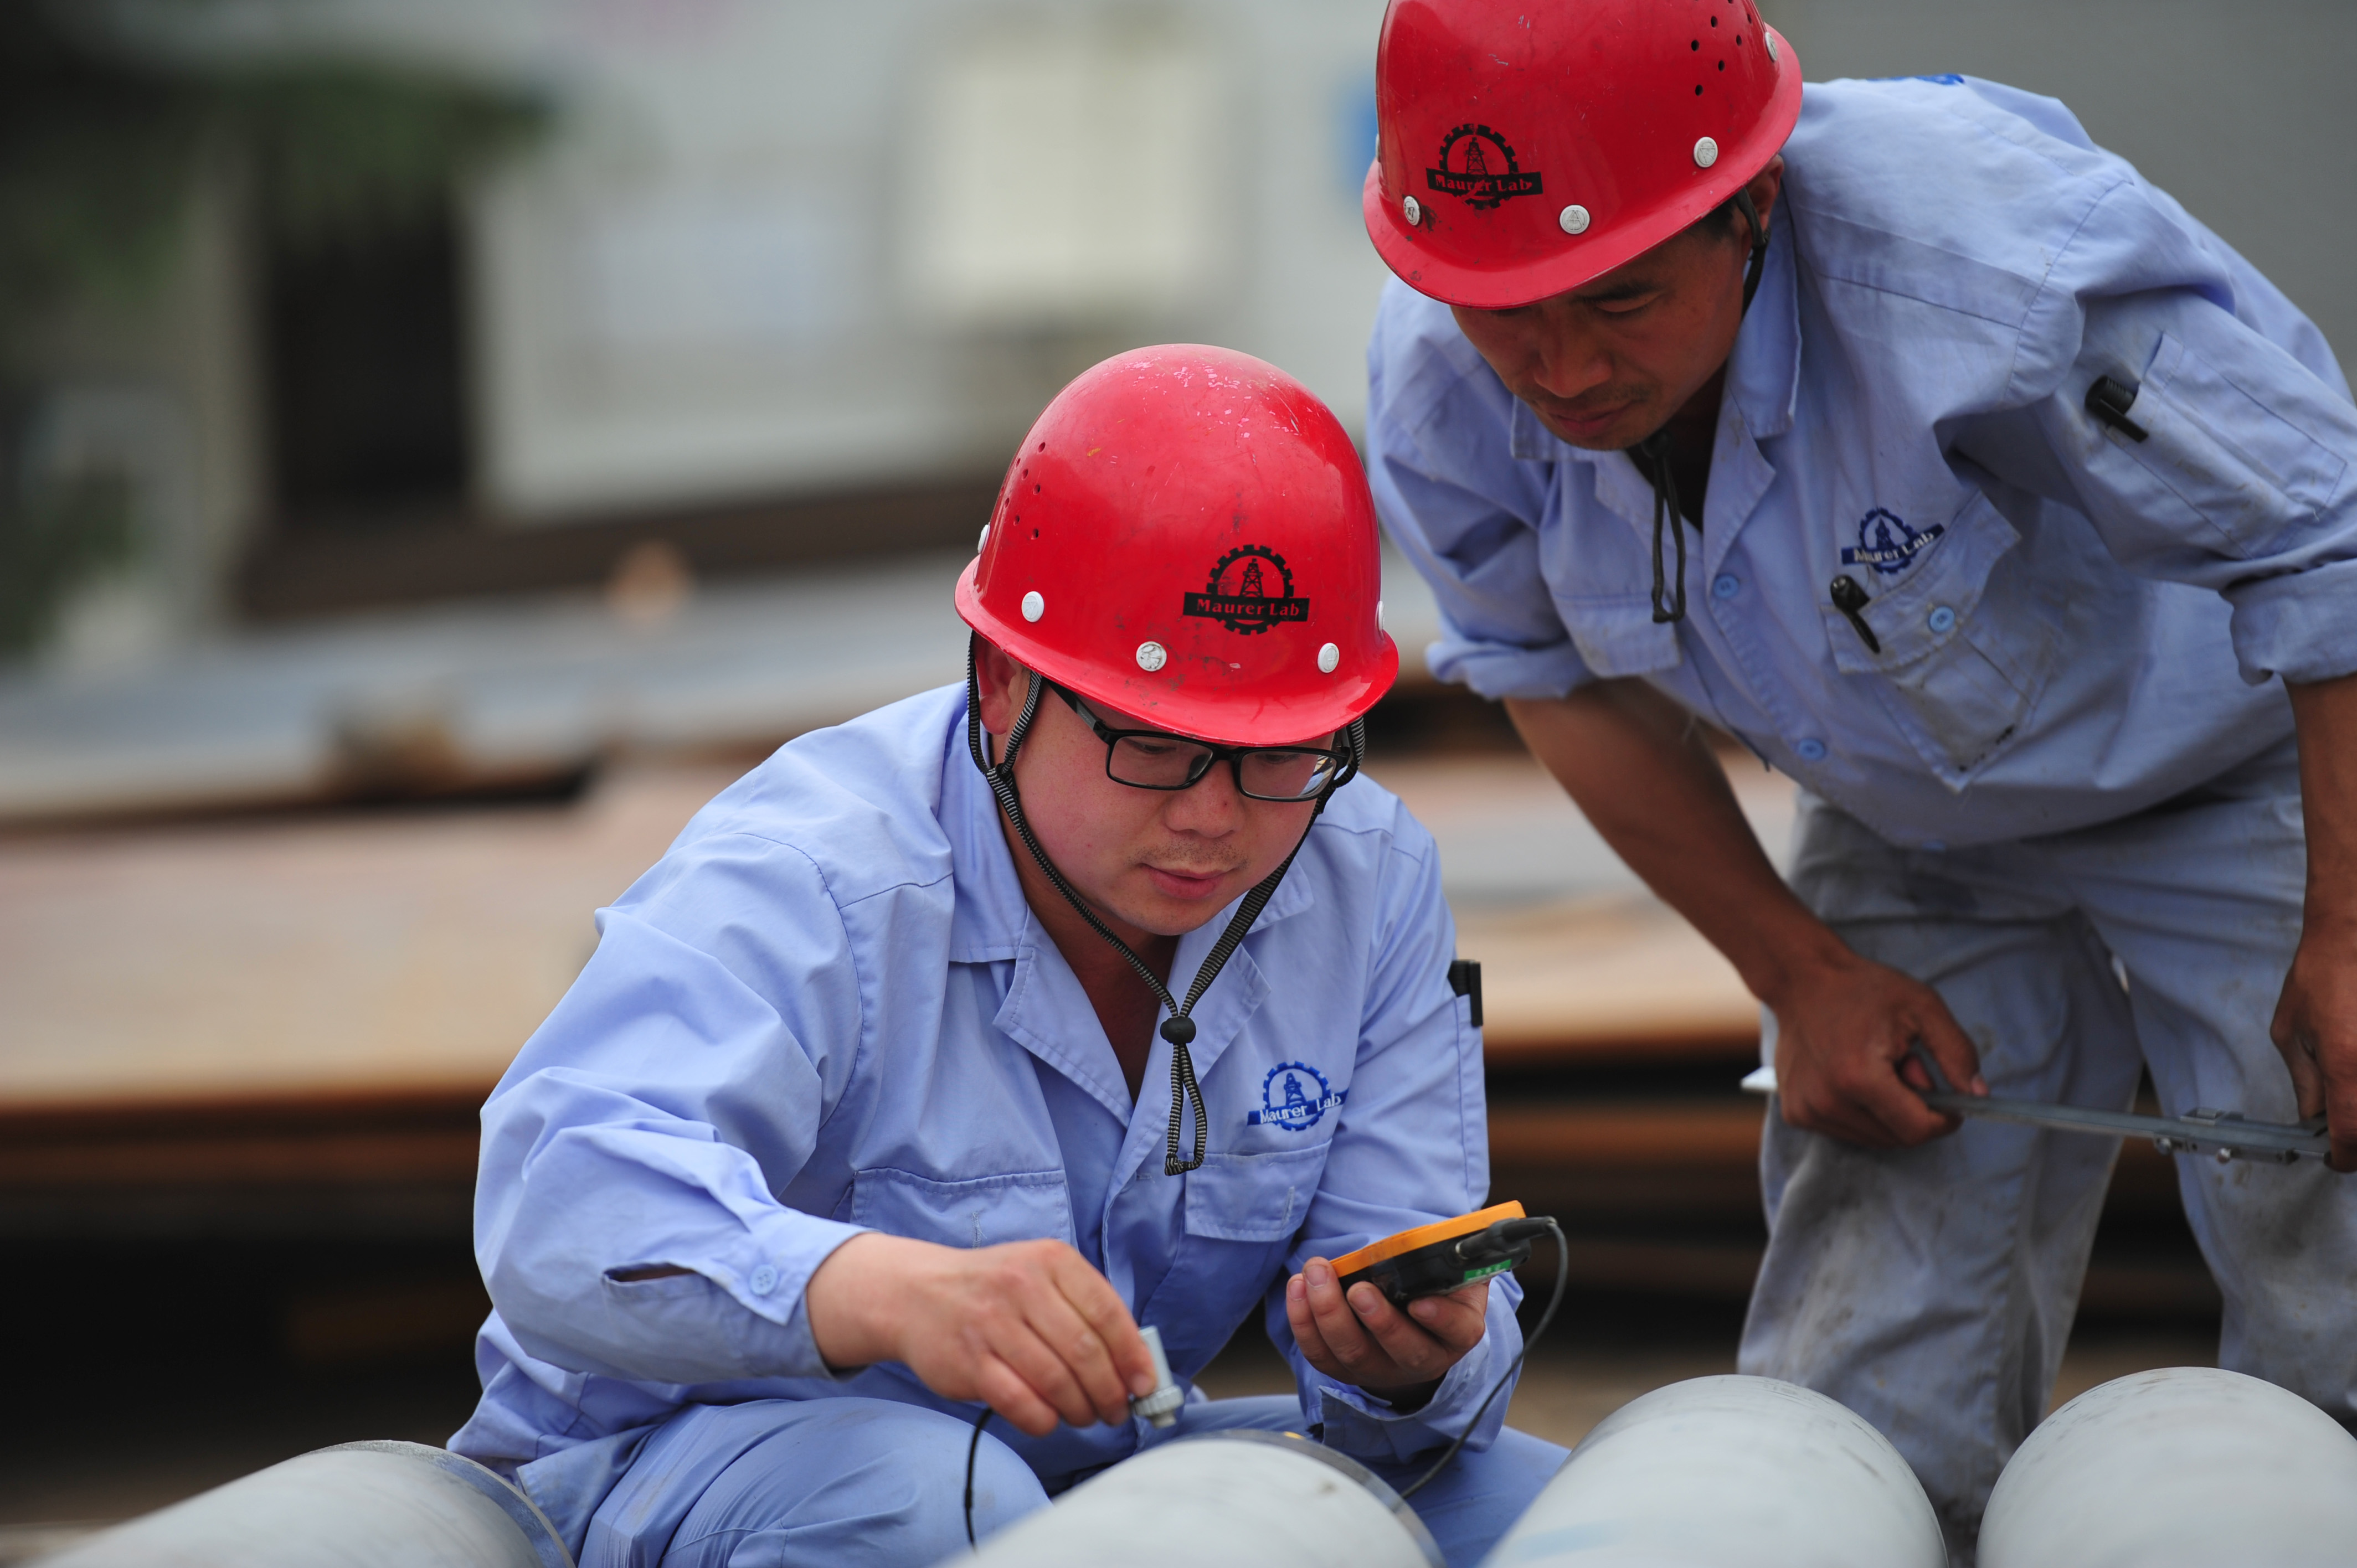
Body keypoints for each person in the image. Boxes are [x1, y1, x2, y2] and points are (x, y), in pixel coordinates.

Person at [1356, 1, 2357, 1558]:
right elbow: (1551, 680)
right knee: (1863, 1396)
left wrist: (2349, 929)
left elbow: (2325, 547)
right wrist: (1799, 973)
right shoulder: (1442, 382)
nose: (1559, 368)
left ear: (1750, 205)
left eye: (1619, 300)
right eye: (1505, 314)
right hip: (1910, 831)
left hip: (2236, 775)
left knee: (2330, 1261)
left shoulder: (1984, 264)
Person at [448, 345, 1568, 1567]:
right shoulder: (819, 875)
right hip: (662, 1465)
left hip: (1075, 1464)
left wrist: (1408, 1373)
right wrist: (878, 1292)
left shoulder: (1364, 877)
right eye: (1152, 744)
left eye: (1277, 751)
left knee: (1527, 1508)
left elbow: (1415, 1305)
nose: (1214, 815)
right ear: (1001, 684)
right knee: (932, 1500)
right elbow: (557, 1193)